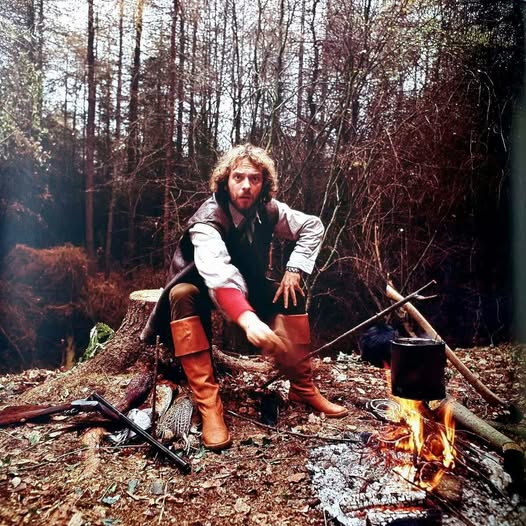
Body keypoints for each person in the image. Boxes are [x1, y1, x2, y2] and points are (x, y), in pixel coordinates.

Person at [141, 143, 347, 450]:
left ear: (264, 183)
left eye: (255, 178)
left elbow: (311, 226)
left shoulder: (268, 210)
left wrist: (294, 268)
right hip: (201, 286)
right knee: (182, 294)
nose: (246, 185)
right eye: (238, 177)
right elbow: (218, 274)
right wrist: (249, 320)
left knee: (291, 293)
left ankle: (302, 387)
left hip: (247, 286)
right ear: (226, 180)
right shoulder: (207, 220)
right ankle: (209, 406)